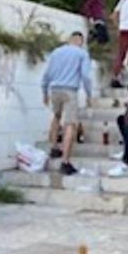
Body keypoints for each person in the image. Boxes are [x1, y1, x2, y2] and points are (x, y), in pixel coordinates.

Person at [41, 32, 93, 176]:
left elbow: (47, 73)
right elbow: (86, 76)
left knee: (56, 117)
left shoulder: (56, 52)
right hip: (70, 90)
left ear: (69, 40)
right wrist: (89, 94)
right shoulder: (81, 54)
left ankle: (54, 147)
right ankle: (65, 161)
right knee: (71, 124)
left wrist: (44, 91)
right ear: (80, 42)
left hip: (54, 89)